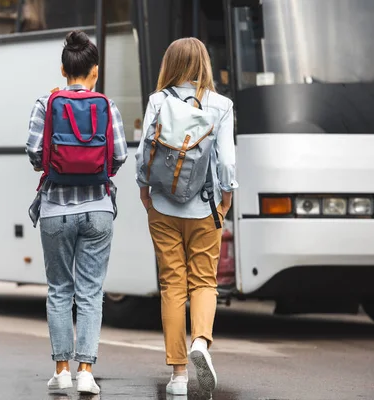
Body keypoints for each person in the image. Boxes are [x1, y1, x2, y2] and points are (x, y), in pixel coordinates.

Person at [25, 30, 128, 395]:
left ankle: (61, 370)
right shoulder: (107, 105)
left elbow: (35, 153)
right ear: (95, 71)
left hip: (55, 209)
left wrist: (59, 166)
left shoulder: (45, 102)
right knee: (90, 292)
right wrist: (94, 172)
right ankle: (87, 370)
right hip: (97, 209)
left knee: (59, 291)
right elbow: (118, 157)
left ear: (63, 68)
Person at [135, 37, 238, 396]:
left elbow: (143, 152)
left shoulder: (157, 101)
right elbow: (225, 161)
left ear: (170, 64)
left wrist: (144, 190)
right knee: (204, 282)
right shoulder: (220, 105)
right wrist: (226, 198)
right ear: (204, 65)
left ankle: (178, 375)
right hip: (205, 207)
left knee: (172, 286)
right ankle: (201, 343)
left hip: (162, 206)